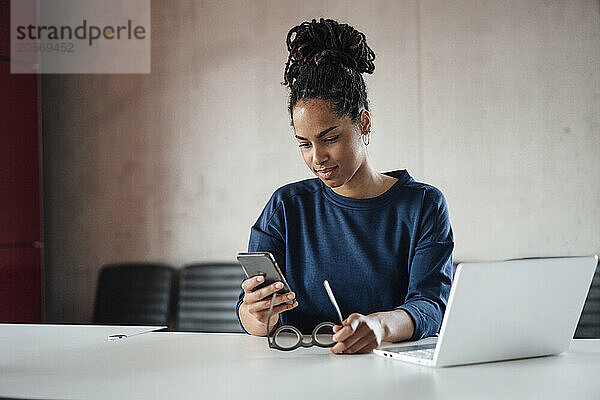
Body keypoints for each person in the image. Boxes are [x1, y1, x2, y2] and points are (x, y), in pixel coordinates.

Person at [236, 17, 454, 355]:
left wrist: (380, 326)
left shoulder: (422, 206)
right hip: (298, 372)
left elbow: (431, 307)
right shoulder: (286, 207)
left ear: (363, 122)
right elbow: (250, 313)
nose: (317, 158)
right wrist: (255, 313)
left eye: (330, 138)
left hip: (390, 374)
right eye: (304, 144)